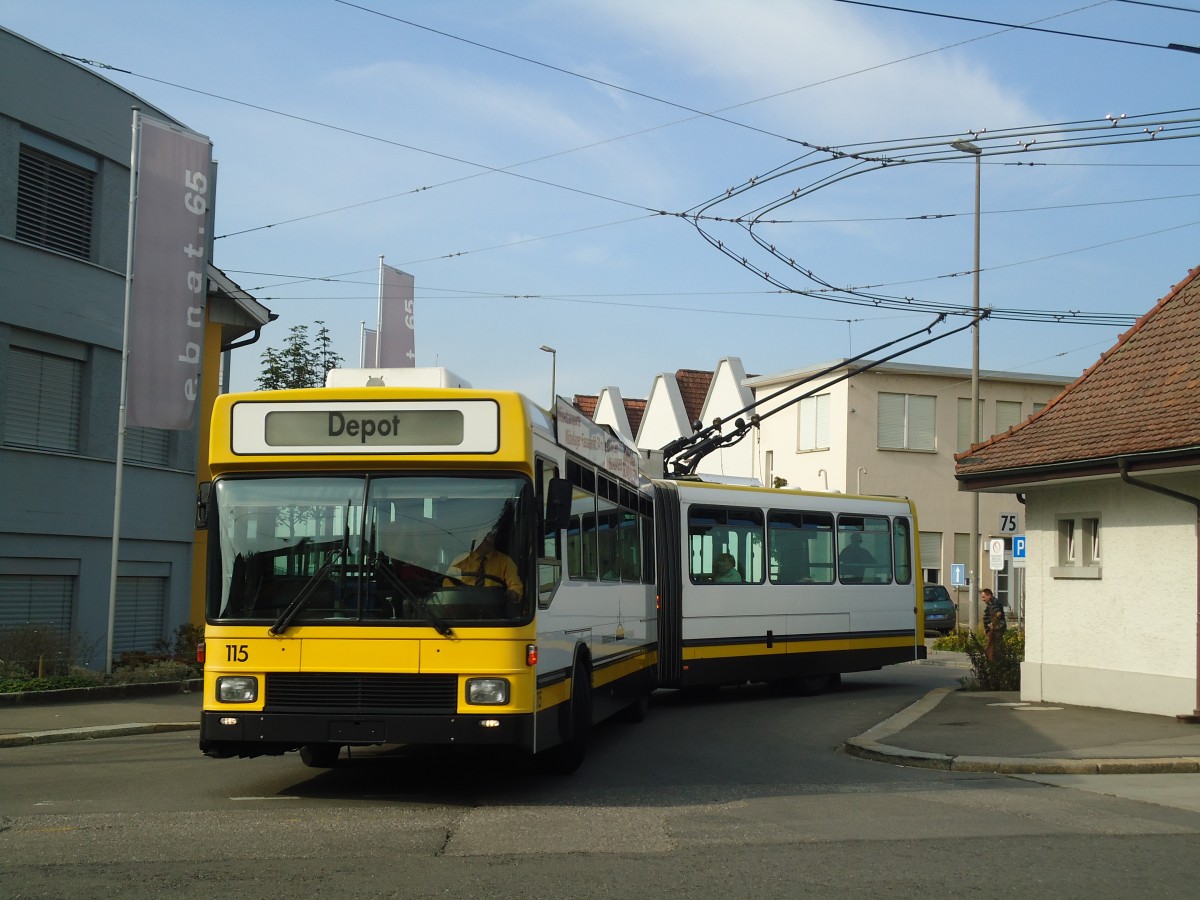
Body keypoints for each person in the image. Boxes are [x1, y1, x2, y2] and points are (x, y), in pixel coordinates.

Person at [446, 526, 524, 604]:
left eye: (491, 535)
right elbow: (447, 589)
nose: (488, 539)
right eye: (484, 536)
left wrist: (511, 594)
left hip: (495, 611)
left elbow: (516, 587)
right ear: (473, 538)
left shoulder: (505, 562)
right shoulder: (459, 561)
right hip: (463, 608)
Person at [982, 588, 1007, 660]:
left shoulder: (994, 602)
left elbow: (996, 611)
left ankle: (994, 664)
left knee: (991, 649)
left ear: (989, 595)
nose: (983, 599)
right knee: (993, 648)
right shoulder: (991, 603)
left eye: (984, 597)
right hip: (994, 629)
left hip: (996, 630)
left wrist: (993, 622)